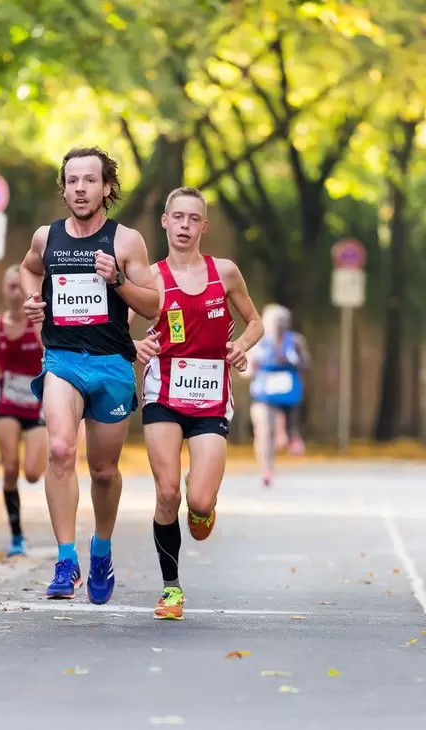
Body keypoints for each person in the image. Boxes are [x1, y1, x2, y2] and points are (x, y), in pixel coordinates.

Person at [20, 146, 160, 603]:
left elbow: (155, 305)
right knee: (60, 450)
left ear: (106, 187)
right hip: (62, 358)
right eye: (72, 180)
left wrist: (117, 279)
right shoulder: (47, 237)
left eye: (89, 180)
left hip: (113, 364)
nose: (80, 188)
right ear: (63, 188)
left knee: (103, 470)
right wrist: (32, 302)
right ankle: (65, 560)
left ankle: (101, 548)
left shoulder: (127, 241)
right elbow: (28, 269)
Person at [132, 186, 264, 621]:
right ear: (165, 222)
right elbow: (119, 330)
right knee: (167, 491)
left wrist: (241, 346)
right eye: (178, 217)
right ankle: (171, 589)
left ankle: (202, 506)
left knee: (200, 502)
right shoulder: (149, 278)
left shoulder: (223, 273)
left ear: (204, 226)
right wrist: (136, 347)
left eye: (194, 219)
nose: (185, 226)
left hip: (210, 398)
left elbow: (255, 322)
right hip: (163, 394)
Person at [0, 265, 47, 557]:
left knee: (31, 474)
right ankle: (17, 536)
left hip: (35, 402)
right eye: (11, 287)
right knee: (10, 469)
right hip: (7, 402)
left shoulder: (39, 324)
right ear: (5, 290)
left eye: (20, 286)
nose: (16, 293)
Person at [247, 303, 311, 486]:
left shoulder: (295, 341)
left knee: (285, 426)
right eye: (275, 321)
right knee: (264, 431)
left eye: (282, 321)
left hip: (288, 393)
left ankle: (292, 436)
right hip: (263, 394)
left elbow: (307, 365)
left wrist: (292, 361)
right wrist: (253, 367)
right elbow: (246, 369)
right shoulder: (258, 342)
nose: (279, 324)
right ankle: (266, 470)